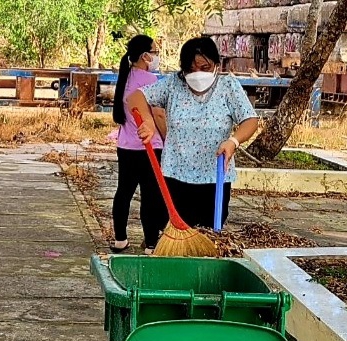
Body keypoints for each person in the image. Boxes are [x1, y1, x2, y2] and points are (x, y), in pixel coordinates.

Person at [127, 36, 258, 229]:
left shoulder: (228, 86)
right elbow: (136, 97)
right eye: (190, 69)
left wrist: (234, 141)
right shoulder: (173, 84)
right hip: (176, 176)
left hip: (215, 177)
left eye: (204, 68)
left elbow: (250, 120)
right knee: (175, 232)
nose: (197, 74)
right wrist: (148, 121)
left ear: (216, 65)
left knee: (210, 233)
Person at [110, 35, 168, 254]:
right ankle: (151, 243)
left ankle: (120, 239)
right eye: (155, 52)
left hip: (125, 146)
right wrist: (167, 138)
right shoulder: (150, 81)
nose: (157, 56)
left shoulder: (124, 77)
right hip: (149, 146)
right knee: (150, 195)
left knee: (123, 192)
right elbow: (158, 115)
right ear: (145, 56)